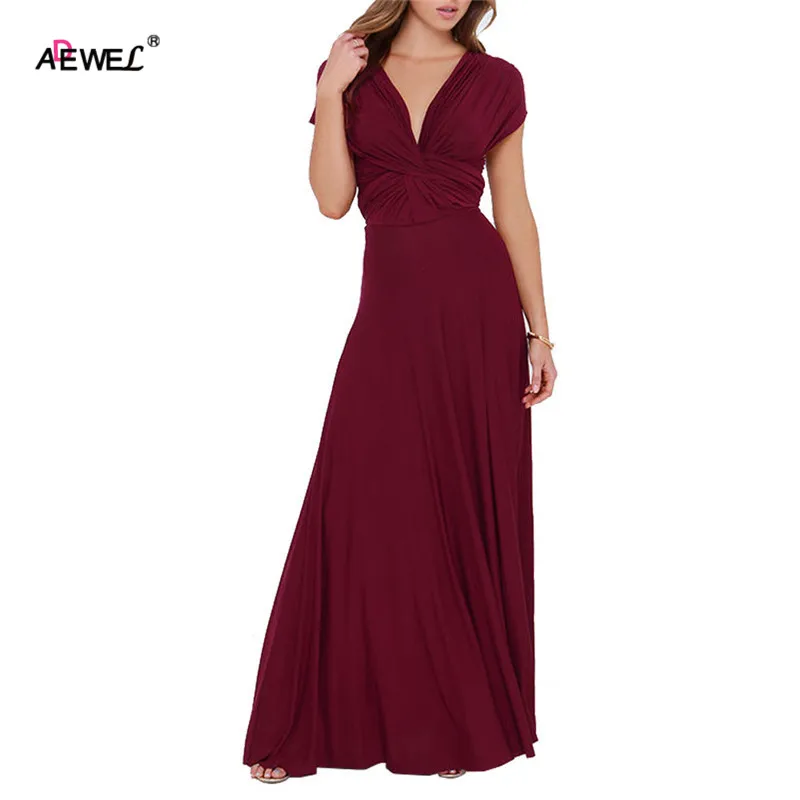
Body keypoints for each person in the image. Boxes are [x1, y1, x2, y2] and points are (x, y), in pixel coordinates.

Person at [244, 0, 556, 783]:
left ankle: (454, 721)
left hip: (476, 312)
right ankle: (312, 720)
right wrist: (328, 93)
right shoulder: (348, 74)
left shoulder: (497, 80)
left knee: (454, 504)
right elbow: (331, 201)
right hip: (390, 311)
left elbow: (513, 206)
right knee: (358, 500)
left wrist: (540, 333)